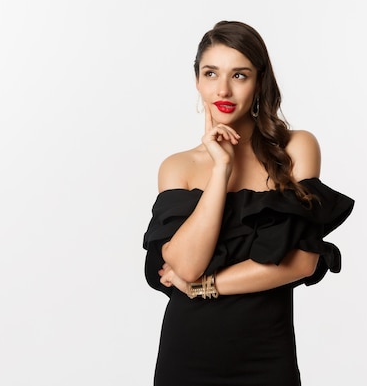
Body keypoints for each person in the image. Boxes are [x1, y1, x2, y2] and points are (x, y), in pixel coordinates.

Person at [142, 20, 354, 386]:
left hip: (266, 355)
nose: (223, 88)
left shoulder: (296, 148)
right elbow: (186, 265)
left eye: (239, 75)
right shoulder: (178, 167)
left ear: (259, 83)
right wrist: (221, 169)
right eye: (211, 73)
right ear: (197, 81)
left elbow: (301, 262)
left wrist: (204, 287)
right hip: (188, 354)